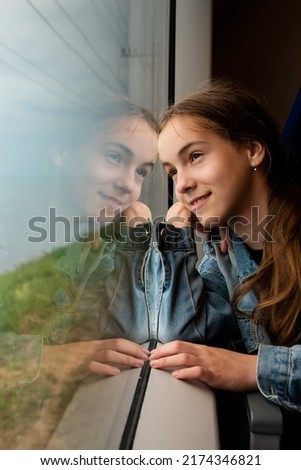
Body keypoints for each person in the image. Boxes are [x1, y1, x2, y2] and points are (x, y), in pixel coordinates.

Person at [0, 95, 158, 448]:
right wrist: (55, 358)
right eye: (114, 156)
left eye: (141, 171)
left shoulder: (101, 243)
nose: (128, 184)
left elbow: (141, 326)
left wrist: (139, 244)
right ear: (63, 153)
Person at [149, 78, 301, 417]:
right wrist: (176, 237)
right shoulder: (227, 252)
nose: (183, 183)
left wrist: (251, 369)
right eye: (172, 171)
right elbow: (181, 328)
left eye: (196, 156)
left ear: (252, 150)